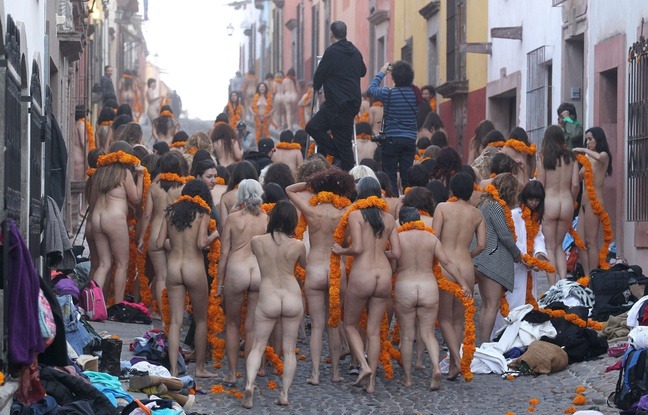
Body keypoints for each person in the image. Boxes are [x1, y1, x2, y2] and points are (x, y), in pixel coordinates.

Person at [332, 177, 401, 393]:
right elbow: (397, 252)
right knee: (373, 331)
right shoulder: (389, 218)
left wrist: (341, 251)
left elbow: (358, 248)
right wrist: (380, 251)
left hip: (363, 273)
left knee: (350, 324)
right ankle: (371, 385)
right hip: (383, 274)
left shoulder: (355, 215)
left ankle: (363, 365)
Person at [286, 168, 355, 384]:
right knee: (333, 323)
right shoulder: (346, 211)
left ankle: (315, 374)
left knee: (316, 325)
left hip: (314, 268)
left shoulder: (311, 210)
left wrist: (311, 183)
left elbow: (289, 190)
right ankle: (335, 373)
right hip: (336, 269)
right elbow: (348, 239)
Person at [395, 206, 469, 389]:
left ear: (402, 222)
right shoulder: (431, 238)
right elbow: (446, 262)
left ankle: (408, 379)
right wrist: (463, 283)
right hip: (428, 287)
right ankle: (436, 368)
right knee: (428, 333)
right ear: (419, 221)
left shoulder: (398, 238)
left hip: (405, 287)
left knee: (407, 335)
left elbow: (392, 264)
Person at [242, 200, 307, 408]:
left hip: (268, 295)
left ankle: (249, 384)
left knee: (258, 346)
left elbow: (258, 255)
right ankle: (284, 394)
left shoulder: (257, 242)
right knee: (289, 350)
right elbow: (304, 265)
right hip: (291, 296)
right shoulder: (298, 245)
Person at [155, 179, 219, 378]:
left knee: (175, 322)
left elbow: (159, 242)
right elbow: (201, 243)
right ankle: (199, 368)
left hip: (174, 268)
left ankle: (173, 370)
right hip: (194, 268)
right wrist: (215, 235)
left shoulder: (170, 212)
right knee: (201, 320)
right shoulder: (203, 212)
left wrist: (176, 246)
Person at [432, 172, 485, 375]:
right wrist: (467, 254)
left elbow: (435, 238)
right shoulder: (477, 214)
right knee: (458, 320)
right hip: (466, 266)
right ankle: (454, 364)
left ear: (452, 189)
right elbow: (482, 244)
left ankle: (456, 359)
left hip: (446, 266)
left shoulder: (442, 208)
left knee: (444, 318)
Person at [218, 179, 268, 385]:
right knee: (252, 326)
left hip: (236, 269)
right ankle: (250, 376)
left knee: (232, 323)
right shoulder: (265, 218)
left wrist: (219, 283)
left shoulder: (232, 218)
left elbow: (224, 252)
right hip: (258, 270)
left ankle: (232, 373)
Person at [306, 21, 367, 171]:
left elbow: (318, 77)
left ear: (331, 34)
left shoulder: (331, 52)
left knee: (316, 129)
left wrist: (318, 85)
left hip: (337, 105)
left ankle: (342, 161)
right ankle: (341, 157)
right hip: (351, 104)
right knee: (316, 128)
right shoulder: (355, 51)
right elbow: (363, 72)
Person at [90, 141, 143, 303]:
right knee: (122, 264)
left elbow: (93, 201)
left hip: (97, 217)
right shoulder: (124, 172)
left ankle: (93, 304)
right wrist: (140, 175)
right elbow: (136, 198)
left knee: (103, 264)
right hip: (114, 219)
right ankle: (118, 306)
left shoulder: (99, 172)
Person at [472, 173, 522, 344]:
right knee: (492, 305)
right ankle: (485, 344)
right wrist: (517, 254)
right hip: (490, 261)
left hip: (480, 260)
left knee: (487, 305)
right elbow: (504, 235)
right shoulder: (495, 206)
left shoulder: (484, 203)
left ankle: (483, 342)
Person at [138, 152, 189, 311]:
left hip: (155, 235)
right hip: (175, 236)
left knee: (161, 277)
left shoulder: (154, 187)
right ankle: (173, 314)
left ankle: (162, 315)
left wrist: (141, 238)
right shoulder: (182, 188)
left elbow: (147, 215)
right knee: (176, 278)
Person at [368, 61, 420, 196]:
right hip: (409, 140)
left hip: (391, 139)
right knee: (407, 175)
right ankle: (409, 200)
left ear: (394, 77)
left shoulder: (388, 93)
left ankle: (394, 200)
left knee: (390, 175)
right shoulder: (415, 94)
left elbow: (371, 89)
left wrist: (382, 72)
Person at [537, 125, 579, 283]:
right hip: (566, 202)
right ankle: (563, 282)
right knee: (559, 245)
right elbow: (575, 185)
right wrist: (572, 200)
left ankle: (552, 286)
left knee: (549, 246)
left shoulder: (543, 157)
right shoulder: (571, 158)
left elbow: (541, 184)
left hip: (549, 202)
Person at [574, 126, 612, 275]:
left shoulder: (603, 155)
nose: (588, 142)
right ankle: (586, 275)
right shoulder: (588, 158)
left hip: (594, 201)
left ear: (598, 139)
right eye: (586, 140)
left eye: (590, 139)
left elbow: (600, 158)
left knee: (591, 242)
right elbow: (579, 178)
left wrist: (583, 150)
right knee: (580, 242)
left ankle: (593, 276)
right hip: (584, 202)